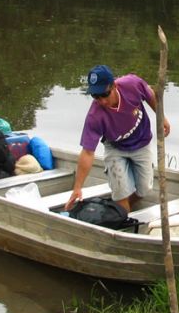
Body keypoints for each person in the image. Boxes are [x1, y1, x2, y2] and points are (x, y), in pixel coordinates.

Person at [64, 65, 170, 214]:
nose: (101, 101)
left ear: (114, 86)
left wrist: (161, 117)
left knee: (145, 189)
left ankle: (120, 210)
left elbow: (151, 95)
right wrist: (77, 187)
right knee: (121, 193)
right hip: (115, 148)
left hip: (142, 143)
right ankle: (122, 216)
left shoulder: (132, 85)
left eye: (104, 94)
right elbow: (87, 152)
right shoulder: (95, 116)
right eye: (95, 96)